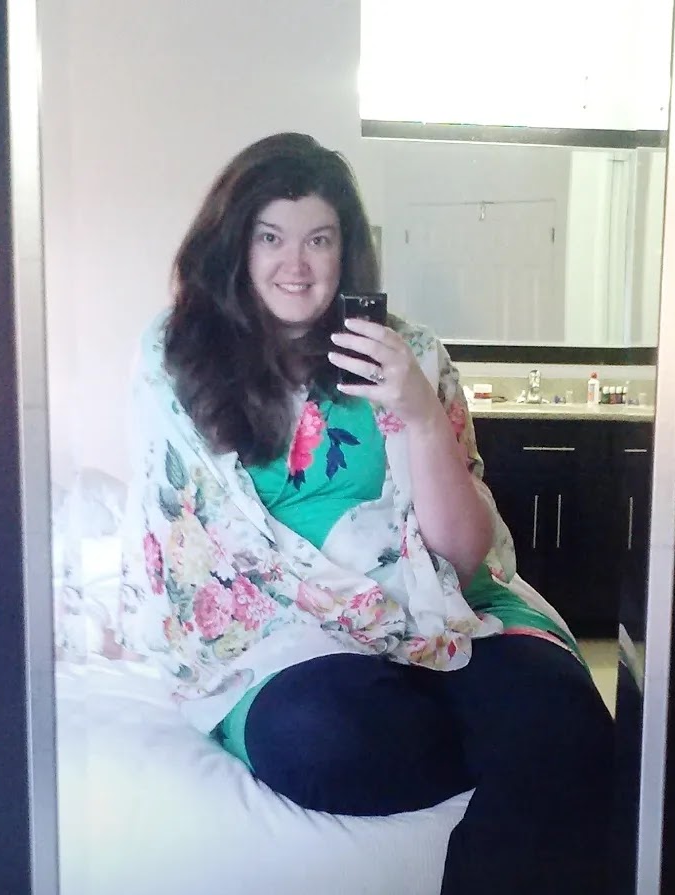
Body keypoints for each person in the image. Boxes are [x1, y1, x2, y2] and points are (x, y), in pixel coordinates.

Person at [120, 132, 614, 894]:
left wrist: (418, 412)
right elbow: (190, 546)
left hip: (438, 605)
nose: (296, 264)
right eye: (270, 237)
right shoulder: (176, 356)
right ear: (235, 245)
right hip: (278, 631)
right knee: (333, 741)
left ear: (346, 251)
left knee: (563, 710)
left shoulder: (410, 353)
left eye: (319, 239)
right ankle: (491, 736)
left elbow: (463, 558)